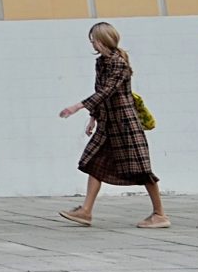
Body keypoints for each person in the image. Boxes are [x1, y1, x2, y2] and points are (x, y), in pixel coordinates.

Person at [57, 20, 170, 229]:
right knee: (94, 163)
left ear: (104, 40)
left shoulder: (119, 63)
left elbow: (107, 90)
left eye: (94, 40)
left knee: (142, 169)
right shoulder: (101, 62)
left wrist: (77, 106)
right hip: (108, 123)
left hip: (125, 124)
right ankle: (86, 211)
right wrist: (93, 116)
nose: (92, 44)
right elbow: (100, 91)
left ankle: (159, 214)